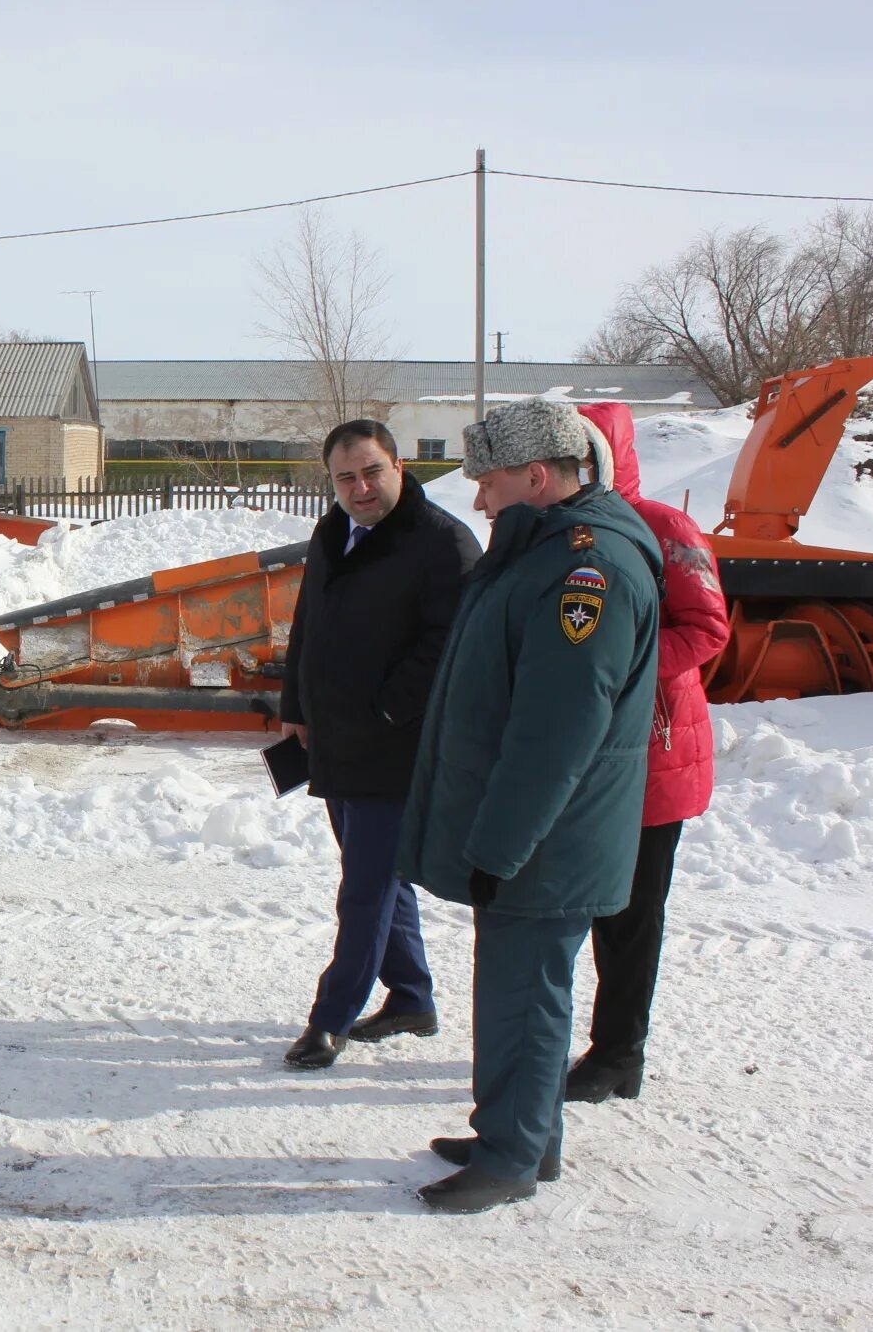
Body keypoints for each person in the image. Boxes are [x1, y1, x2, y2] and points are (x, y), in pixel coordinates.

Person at [396, 398, 662, 1214]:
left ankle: (510, 1157)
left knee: (528, 990)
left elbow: (557, 729)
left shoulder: (588, 569)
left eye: (488, 481)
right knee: (517, 987)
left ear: (536, 476)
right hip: (533, 834)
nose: (477, 499)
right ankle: (520, 1134)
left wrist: (499, 845)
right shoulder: (544, 549)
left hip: (547, 837)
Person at [278, 419, 480, 1070]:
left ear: (398, 463)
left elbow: (448, 644)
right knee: (380, 878)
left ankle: (328, 1019)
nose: (360, 487)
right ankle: (413, 995)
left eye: (371, 471)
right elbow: (308, 622)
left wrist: (385, 705)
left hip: (398, 747)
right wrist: (294, 707)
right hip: (336, 740)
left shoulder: (442, 543)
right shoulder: (332, 531)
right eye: (345, 477)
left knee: (364, 888)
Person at [567, 402, 729, 1102]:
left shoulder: (667, 528)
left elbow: (708, 628)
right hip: (582, 755)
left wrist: (619, 666)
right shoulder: (560, 533)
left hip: (656, 752)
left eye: (583, 451)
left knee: (632, 913)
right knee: (577, 906)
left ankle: (618, 1052)